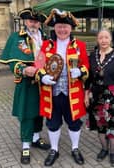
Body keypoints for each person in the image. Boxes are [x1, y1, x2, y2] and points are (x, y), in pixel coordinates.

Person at [35, 8, 89, 166]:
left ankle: (75, 148)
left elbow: (86, 65)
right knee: (52, 123)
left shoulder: (80, 45)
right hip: (51, 93)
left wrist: (80, 71)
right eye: (59, 26)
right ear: (55, 28)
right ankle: (54, 149)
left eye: (65, 27)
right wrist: (42, 76)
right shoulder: (46, 45)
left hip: (72, 93)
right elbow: (38, 65)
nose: (62, 29)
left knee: (74, 123)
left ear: (70, 28)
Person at [0, 8, 50, 165]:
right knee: (27, 113)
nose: (33, 23)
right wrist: (23, 69)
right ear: (25, 21)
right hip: (27, 83)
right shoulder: (16, 37)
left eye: (36, 21)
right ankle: (25, 145)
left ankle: (35, 138)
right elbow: (12, 62)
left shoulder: (46, 37)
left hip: (44, 82)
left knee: (39, 111)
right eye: (30, 20)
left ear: (39, 22)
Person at [85, 29, 114, 167]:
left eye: (106, 37)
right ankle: (104, 149)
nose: (103, 40)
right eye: (101, 37)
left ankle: (113, 152)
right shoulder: (93, 55)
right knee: (100, 125)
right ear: (97, 39)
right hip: (97, 96)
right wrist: (86, 93)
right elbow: (89, 77)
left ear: (111, 39)